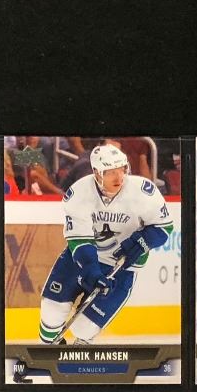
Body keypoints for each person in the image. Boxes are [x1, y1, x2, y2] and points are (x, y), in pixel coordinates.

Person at [34, 143, 173, 346]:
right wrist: (91, 269)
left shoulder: (143, 192)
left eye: (121, 169)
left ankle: (76, 360)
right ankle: (49, 352)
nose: (118, 177)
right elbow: (80, 239)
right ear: (97, 173)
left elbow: (163, 228)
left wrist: (142, 241)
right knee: (51, 312)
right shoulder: (79, 193)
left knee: (84, 328)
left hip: (121, 268)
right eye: (110, 172)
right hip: (80, 260)